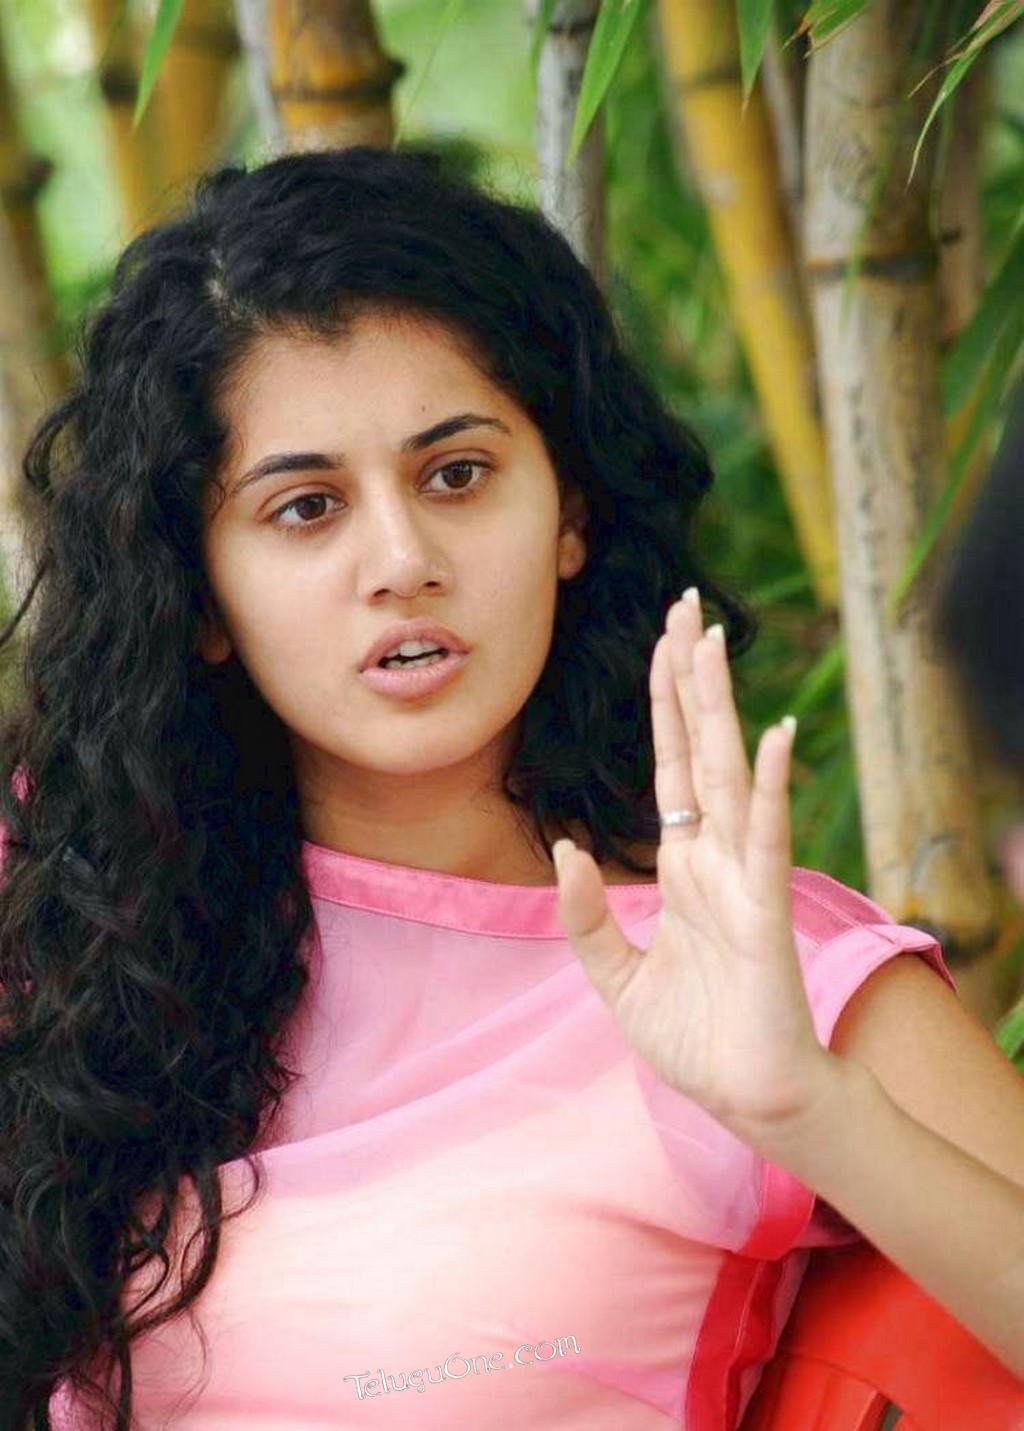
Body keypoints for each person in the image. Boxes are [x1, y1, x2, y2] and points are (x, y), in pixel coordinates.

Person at [0, 146, 1020, 1431]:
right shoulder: (65, 914)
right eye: (306, 508)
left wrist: (811, 1112)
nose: (402, 560)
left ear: (569, 516)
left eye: (457, 475)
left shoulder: (753, 967)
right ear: (199, 595)